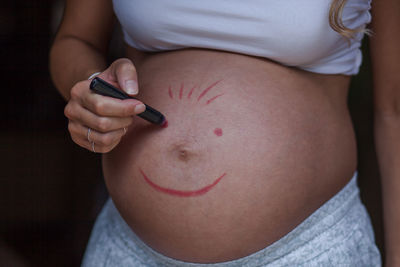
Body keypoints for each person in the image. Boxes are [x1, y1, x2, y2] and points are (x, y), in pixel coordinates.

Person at [49, 0, 398, 266]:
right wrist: (88, 87)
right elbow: (75, 39)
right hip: (129, 249)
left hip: (308, 249)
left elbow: (394, 111)